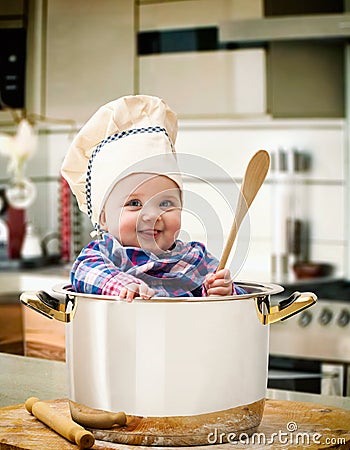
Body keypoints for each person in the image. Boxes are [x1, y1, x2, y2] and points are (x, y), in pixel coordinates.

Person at [61, 95, 245, 301]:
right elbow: (86, 273)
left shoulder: (196, 259)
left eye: (165, 203)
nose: (151, 215)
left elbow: (230, 303)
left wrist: (224, 291)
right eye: (134, 203)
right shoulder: (103, 255)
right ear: (103, 218)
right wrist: (125, 286)